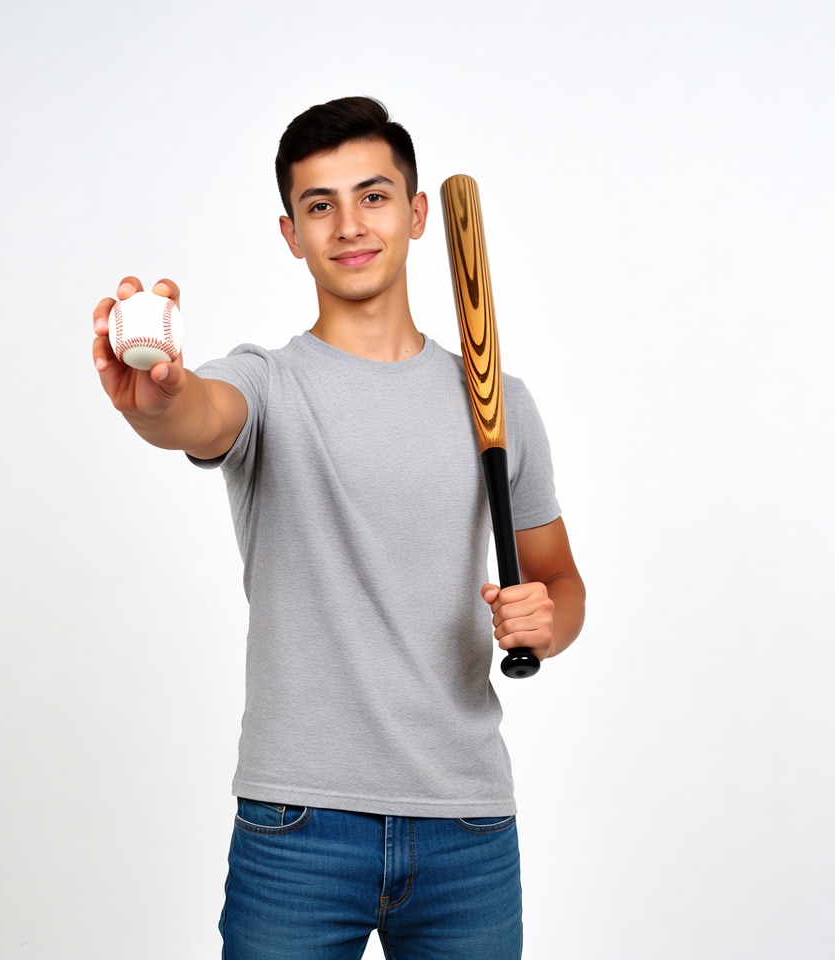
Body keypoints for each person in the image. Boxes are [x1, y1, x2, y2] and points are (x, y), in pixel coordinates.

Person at [92, 96, 585, 960]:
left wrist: (550, 623)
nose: (349, 225)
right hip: (299, 827)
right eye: (320, 205)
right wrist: (157, 403)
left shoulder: (499, 401)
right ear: (291, 232)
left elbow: (558, 579)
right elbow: (201, 416)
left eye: (374, 196)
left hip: (466, 824)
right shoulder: (269, 383)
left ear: (418, 212)